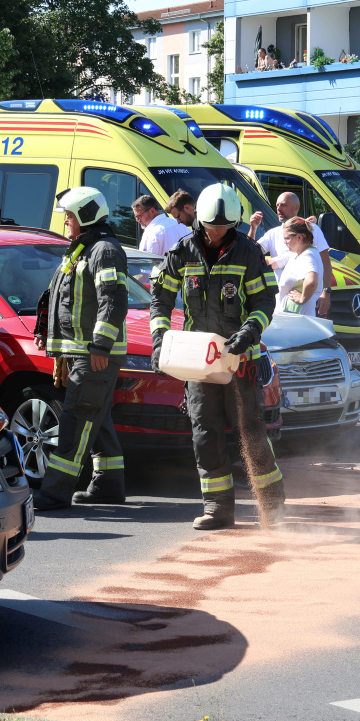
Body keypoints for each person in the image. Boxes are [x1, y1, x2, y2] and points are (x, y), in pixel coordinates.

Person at [149, 183, 286, 530]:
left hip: (240, 361)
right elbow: (160, 302)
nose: (217, 234)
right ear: (200, 221)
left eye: (224, 228)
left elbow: (264, 304)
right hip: (200, 361)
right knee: (205, 435)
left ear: (235, 224)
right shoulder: (181, 253)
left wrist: (249, 332)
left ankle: (272, 510)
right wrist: (159, 341)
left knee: (251, 433)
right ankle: (217, 508)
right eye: (212, 228)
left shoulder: (249, 253)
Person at [31, 186, 128, 511]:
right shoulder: (82, 249)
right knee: (96, 419)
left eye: (70, 217)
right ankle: (108, 485)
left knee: (76, 419)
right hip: (81, 352)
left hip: (94, 354)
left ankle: (55, 491)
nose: (66, 223)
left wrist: (101, 345)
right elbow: (61, 298)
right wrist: (48, 336)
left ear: (85, 216)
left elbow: (112, 301)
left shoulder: (104, 250)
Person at [249, 191, 334, 316]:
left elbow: (324, 264)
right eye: (277, 205)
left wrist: (325, 292)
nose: (278, 208)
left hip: (302, 311)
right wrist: (253, 228)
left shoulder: (311, 236)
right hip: (281, 305)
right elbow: (252, 255)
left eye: (283, 205)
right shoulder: (291, 251)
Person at [275, 217, 322, 315]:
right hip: (293, 318)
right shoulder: (297, 254)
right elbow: (272, 262)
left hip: (298, 319)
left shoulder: (307, 255)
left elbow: (312, 281)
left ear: (299, 237)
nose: (285, 242)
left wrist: (302, 298)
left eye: (287, 238)